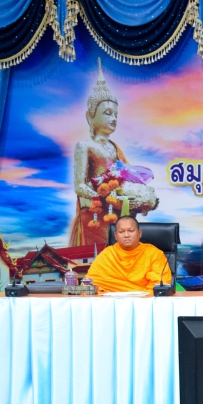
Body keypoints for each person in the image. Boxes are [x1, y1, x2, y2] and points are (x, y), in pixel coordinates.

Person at [69, 58, 158, 247]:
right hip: (95, 214)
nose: (114, 118)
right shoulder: (85, 146)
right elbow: (79, 186)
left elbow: (126, 179)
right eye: (108, 113)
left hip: (116, 213)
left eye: (116, 114)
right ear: (90, 116)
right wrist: (105, 196)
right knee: (97, 259)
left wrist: (138, 199)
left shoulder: (115, 148)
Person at [86, 216, 171, 293]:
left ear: (139, 233)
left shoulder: (154, 254)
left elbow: (160, 284)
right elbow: (91, 283)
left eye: (131, 231)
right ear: (116, 236)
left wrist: (140, 300)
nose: (126, 235)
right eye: (121, 232)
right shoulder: (107, 254)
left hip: (144, 301)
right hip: (112, 301)